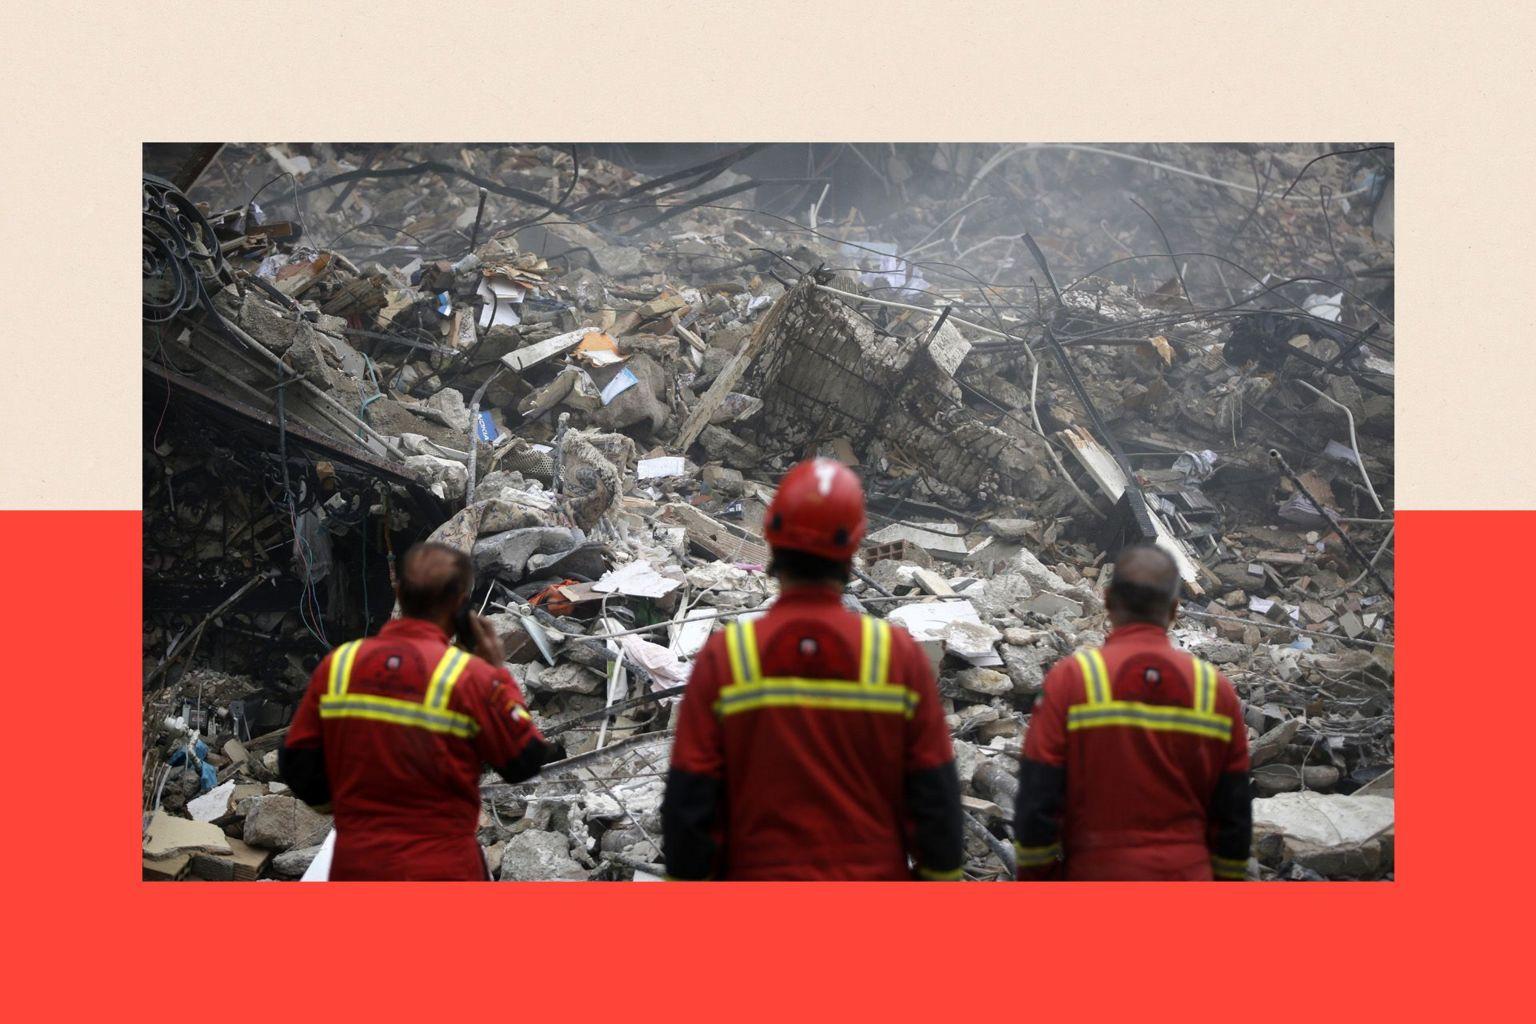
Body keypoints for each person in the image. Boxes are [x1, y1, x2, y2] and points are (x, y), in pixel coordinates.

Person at [661, 457, 964, 880]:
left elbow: (688, 808)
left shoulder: (729, 657)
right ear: (854, 545)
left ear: (771, 535)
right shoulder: (896, 657)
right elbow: (937, 807)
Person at [279, 542, 551, 880]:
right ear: (459, 603)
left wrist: (342, 810)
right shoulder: (471, 678)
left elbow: (296, 763)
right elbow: (524, 760)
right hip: (443, 870)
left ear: (399, 591)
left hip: (357, 865)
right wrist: (496, 670)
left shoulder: (340, 664)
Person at [1011, 543, 1252, 881]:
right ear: (1174, 610)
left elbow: (1037, 797)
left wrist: (1038, 877)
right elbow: (1234, 812)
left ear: (1108, 602)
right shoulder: (1216, 691)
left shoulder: (1072, 680)